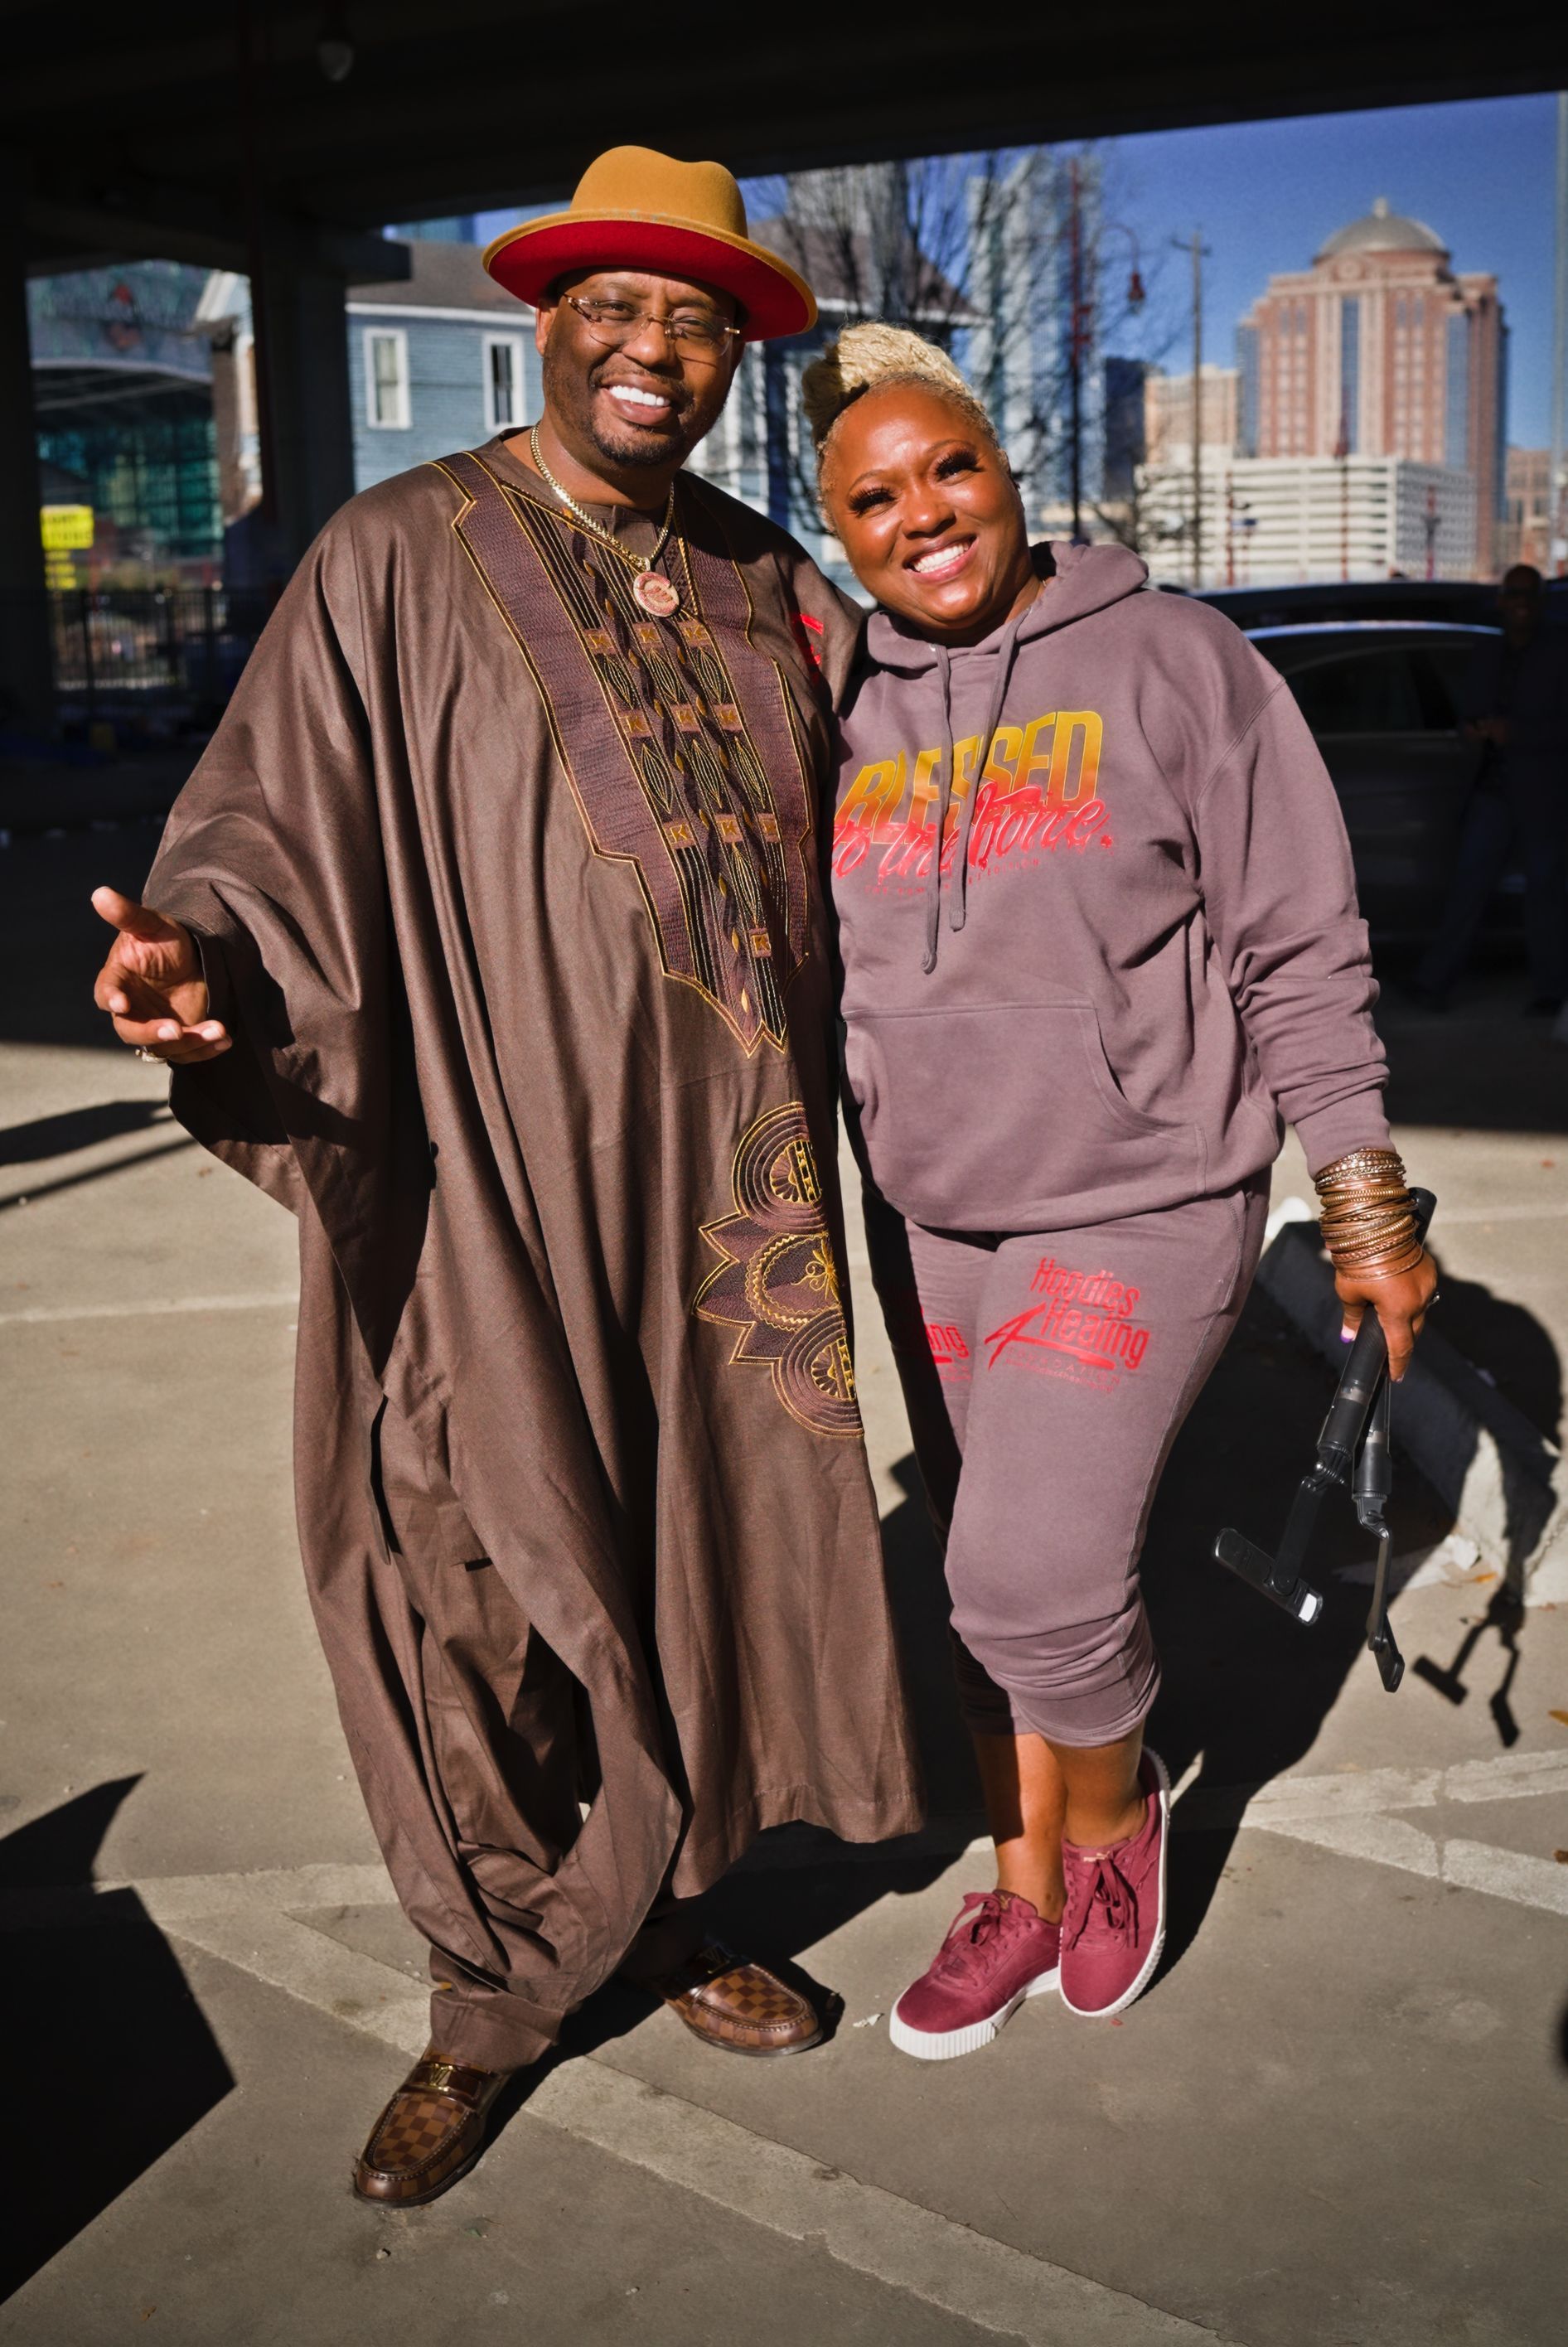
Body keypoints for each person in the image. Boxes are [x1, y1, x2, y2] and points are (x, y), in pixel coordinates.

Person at [88, 152, 922, 2206]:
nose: (654, 351)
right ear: (546, 321)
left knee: (689, 1561)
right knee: (455, 1574)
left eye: (699, 318)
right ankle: (489, 1990)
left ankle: (654, 1906)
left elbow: (921, 804)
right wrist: (192, 962)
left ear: (739, 352)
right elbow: (269, 816)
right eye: (615, 308)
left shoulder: (763, 583)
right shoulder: (403, 551)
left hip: (724, 1210)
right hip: (481, 1167)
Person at [804, 325, 1435, 2058]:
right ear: (834, 529)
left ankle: (1111, 1819)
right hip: (935, 1205)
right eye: (873, 496)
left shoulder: (1171, 658)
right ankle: (1014, 1875)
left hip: (1141, 1191)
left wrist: (1361, 1199)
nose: (922, 514)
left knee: (1028, 1577)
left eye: (951, 469)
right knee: (978, 1575)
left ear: (1009, 473)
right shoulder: (840, 701)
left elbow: (1298, 943)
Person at [1411, 564, 1568, 1014]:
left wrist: (1516, 732)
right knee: (1467, 887)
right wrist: (1472, 729)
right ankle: (1434, 982)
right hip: (1491, 790)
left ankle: (1550, 993)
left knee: (1545, 894)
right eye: (1513, 593)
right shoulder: (1489, 650)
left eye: (1528, 594)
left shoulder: (1559, 651)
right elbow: (1469, 708)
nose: (1520, 602)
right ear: (1501, 600)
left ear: (1540, 601)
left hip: (1543, 792)